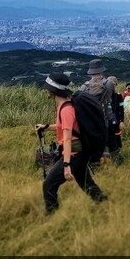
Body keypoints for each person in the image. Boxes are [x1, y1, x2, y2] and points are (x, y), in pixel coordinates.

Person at [35, 72, 107, 214]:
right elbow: (65, 127)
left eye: (47, 89)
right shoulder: (66, 106)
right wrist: (46, 127)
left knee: (49, 185)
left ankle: (52, 216)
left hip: (73, 155)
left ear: (52, 91)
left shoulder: (66, 109)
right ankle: (105, 205)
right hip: (79, 154)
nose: (46, 91)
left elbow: (68, 138)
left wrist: (66, 165)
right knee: (86, 183)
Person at [79, 59, 123, 165]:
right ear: (101, 70)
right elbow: (109, 102)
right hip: (106, 119)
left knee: (93, 143)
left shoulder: (84, 87)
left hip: (91, 121)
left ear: (91, 71)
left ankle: (94, 163)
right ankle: (117, 162)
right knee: (111, 142)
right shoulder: (108, 84)